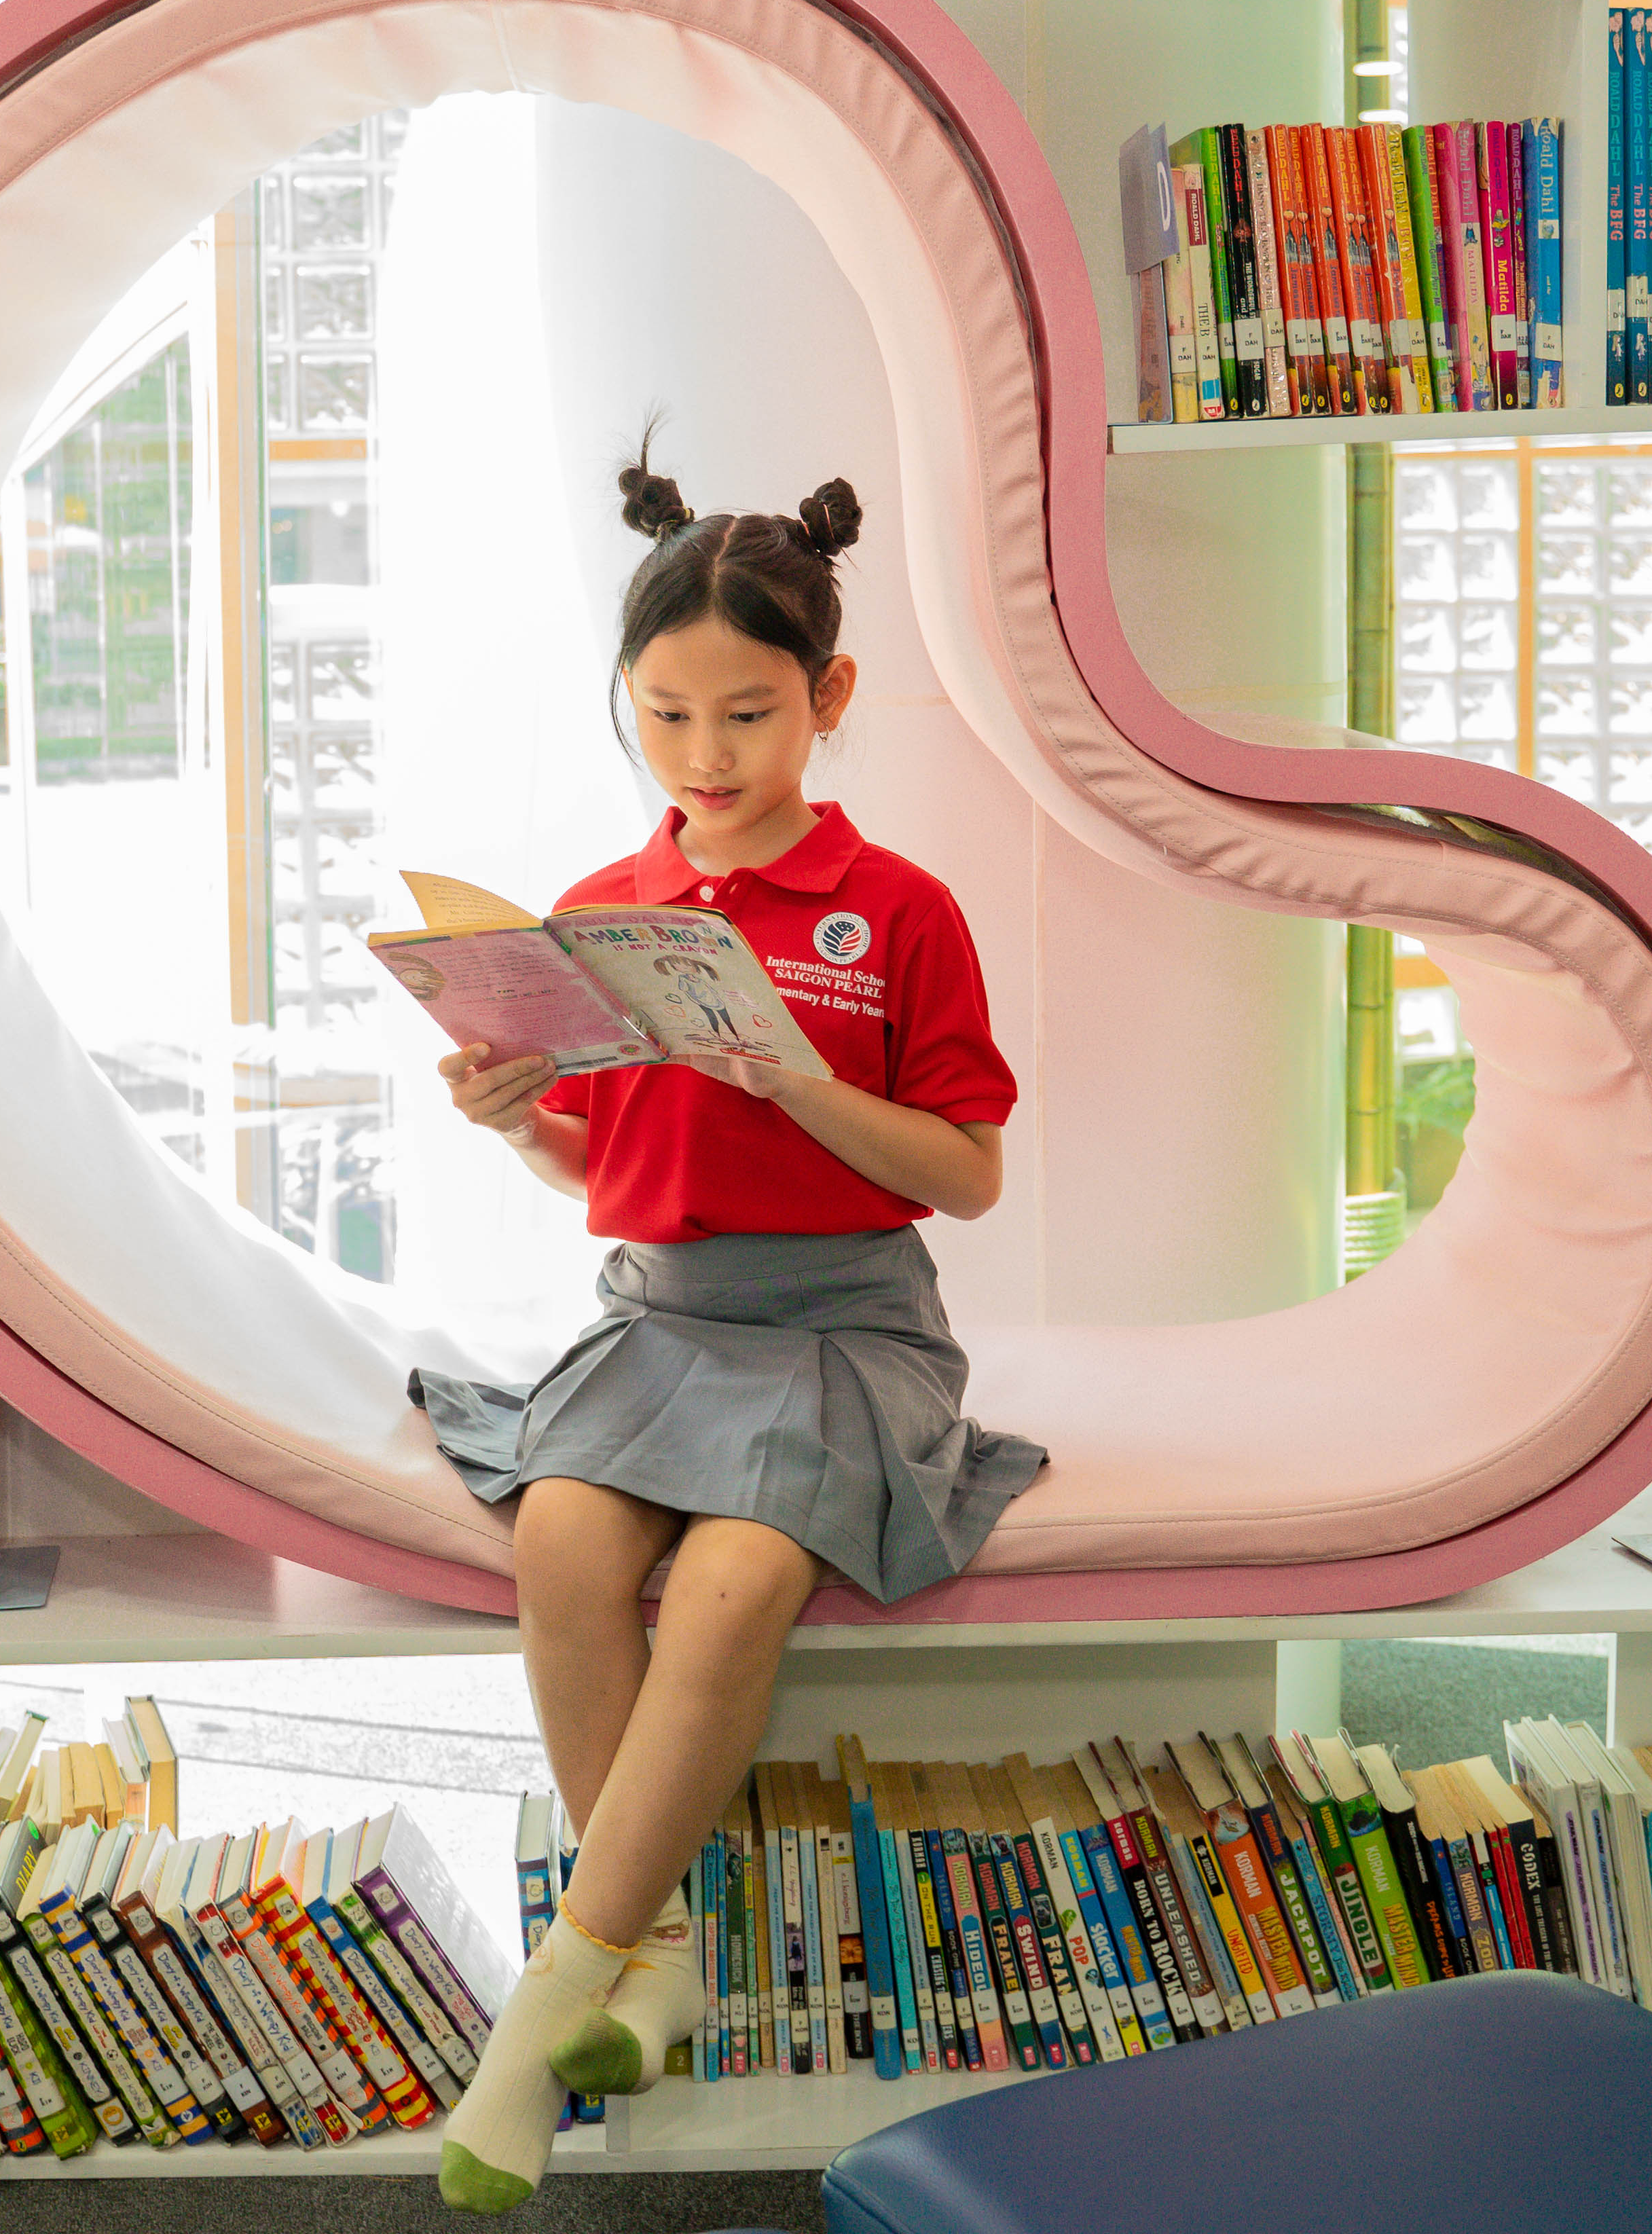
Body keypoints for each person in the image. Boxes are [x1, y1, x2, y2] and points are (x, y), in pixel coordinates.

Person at [408, 447, 1042, 2214]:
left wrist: (798, 1078)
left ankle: (544, 2007)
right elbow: (610, 1167)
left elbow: (966, 1176)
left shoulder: (901, 910)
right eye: (667, 713)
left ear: (827, 699)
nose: (706, 755)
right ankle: (659, 1948)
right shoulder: (615, 912)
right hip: (662, 1320)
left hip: (847, 1330)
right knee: (560, 1538)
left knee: (740, 1579)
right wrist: (513, 1118)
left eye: (747, 714)